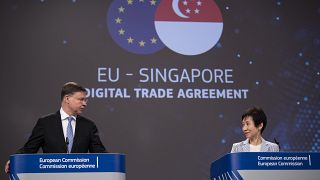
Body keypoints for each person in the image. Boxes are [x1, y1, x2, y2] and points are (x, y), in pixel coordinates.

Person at [4, 82, 106, 173]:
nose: (84, 104)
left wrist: (114, 161)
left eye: (85, 100)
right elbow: (29, 149)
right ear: (67, 99)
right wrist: (14, 160)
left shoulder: (88, 125)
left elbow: (100, 153)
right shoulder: (45, 123)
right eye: (81, 99)